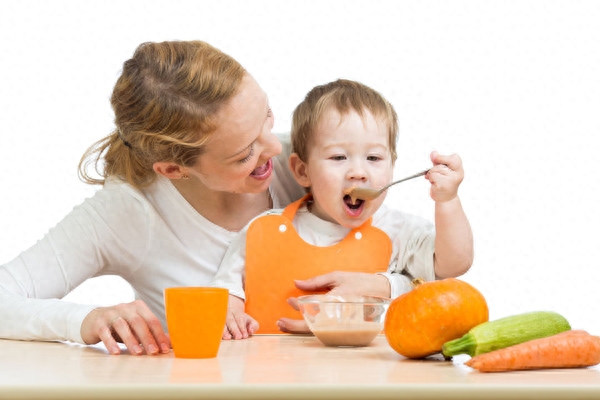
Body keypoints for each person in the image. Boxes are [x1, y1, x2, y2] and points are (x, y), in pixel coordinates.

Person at [0, 40, 306, 355]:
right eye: (244, 155)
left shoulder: (316, 163)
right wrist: (86, 319)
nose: (276, 148)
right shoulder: (130, 210)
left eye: (267, 117)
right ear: (173, 169)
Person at [211, 79, 473, 339]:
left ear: (392, 166)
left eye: (373, 158)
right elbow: (225, 292)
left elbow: (452, 265)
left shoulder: (399, 231)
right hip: (274, 373)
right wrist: (231, 309)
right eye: (338, 157)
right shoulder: (261, 231)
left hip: (368, 375)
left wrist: (447, 201)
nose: (358, 172)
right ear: (303, 171)